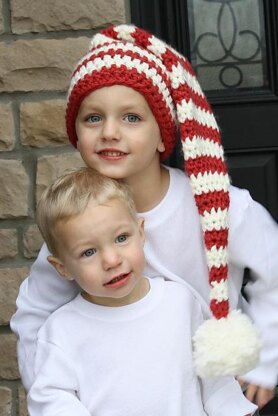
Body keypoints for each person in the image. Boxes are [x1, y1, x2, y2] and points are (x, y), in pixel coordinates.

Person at [11, 24, 278, 410]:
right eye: (93, 119)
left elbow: (273, 265)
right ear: (76, 134)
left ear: (161, 137)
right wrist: (55, 397)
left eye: (132, 118)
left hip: (200, 394)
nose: (110, 132)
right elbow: (35, 316)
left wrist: (264, 362)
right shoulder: (78, 226)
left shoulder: (217, 207)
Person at [27, 166, 257, 416]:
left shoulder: (179, 302)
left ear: (141, 232)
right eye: (88, 252)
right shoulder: (62, 330)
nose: (112, 260)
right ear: (63, 268)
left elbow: (214, 379)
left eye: (121, 238)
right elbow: (50, 399)